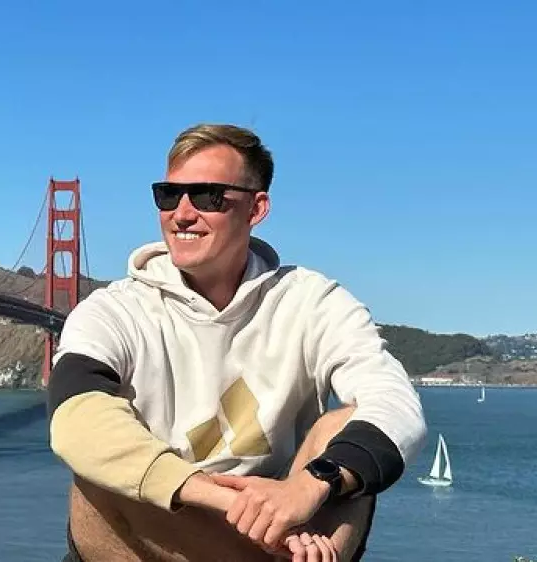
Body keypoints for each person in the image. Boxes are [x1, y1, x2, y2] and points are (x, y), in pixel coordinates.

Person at [46, 123, 427, 561]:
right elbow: (74, 418)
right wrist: (225, 500)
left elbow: (395, 405)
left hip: (279, 521)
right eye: (168, 195)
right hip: (204, 533)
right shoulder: (114, 310)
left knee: (347, 431)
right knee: (102, 458)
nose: (182, 214)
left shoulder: (312, 302)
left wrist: (311, 484)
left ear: (256, 208)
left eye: (208, 196)